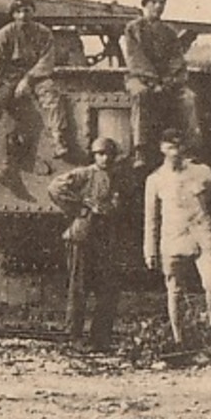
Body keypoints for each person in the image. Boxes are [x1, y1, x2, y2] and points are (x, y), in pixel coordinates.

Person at [0, 0, 76, 187]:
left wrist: (28, 79)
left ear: (33, 12)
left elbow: (46, 61)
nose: (23, 15)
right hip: (9, 78)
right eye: (18, 11)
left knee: (52, 96)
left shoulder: (44, 33)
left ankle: (59, 140)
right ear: (13, 15)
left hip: (36, 77)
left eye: (27, 10)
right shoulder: (5, 34)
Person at [143, 129, 211, 347]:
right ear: (162, 148)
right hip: (173, 238)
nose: (175, 152)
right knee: (175, 290)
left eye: (179, 147)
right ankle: (178, 338)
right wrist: (150, 249)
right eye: (170, 147)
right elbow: (151, 219)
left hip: (202, 234)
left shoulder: (201, 172)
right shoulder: (155, 180)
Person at [48, 137, 130, 351]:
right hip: (83, 237)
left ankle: (100, 339)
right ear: (94, 155)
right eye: (100, 154)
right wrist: (80, 208)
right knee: (79, 288)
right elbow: (55, 187)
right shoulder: (84, 173)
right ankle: (73, 337)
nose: (105, 158)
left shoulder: (116, 177)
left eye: (109, 154)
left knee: (108, 290)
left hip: (104, 239)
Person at [123, 0, 201, 159]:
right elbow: (135, 58)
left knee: (189, 98)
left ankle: (190, 147)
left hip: (166, 81)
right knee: (140, 94)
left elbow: (176, 59)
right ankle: (140, 148)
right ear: (145, 5)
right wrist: (153, 82)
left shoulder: (169, 32)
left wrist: (168, 82)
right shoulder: (133, 28)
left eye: (162, 3)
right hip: (140, 78)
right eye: (154, 3)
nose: (158, 6)